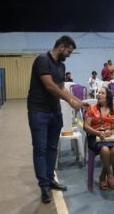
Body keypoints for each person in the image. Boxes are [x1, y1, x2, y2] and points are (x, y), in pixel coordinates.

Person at [27, 36, 87, 203]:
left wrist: (78, 101)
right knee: (40, 148)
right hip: (38, 111)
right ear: (61, 47)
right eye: (68, 51)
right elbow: (50, 86)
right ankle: (44, 186)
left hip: (54, 111)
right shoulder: (42, 60)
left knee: (52, 147)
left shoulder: (61, 66)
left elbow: (61, 88)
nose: (68, 55)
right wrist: (70, 101)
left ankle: (50, 178)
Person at [83, 87, 114, 190]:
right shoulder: (92, 109)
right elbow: (86, 126)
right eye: (98, 93)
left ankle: (102, 176)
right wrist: (97, 132)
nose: (99, 94)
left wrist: (112, 131)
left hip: (111, 137)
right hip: (95, 137)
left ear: (108, 97)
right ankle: (110, 175)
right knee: (105, 149)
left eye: (102, 93)